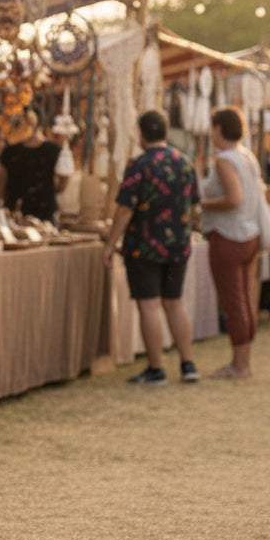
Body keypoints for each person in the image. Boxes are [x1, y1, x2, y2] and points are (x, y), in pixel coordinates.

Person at [103, 110, 200, 385]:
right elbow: (194, 203)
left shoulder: (139, 165)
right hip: (179, 244)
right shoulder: (184, 162)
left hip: (145, 245)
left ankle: (156, 368)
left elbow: (124, 209)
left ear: (141, 133)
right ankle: (188, 363)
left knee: (149, 306)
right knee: (174, 302)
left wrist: (111, 243)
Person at [199, 107, 264, 379]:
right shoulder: (247, 156)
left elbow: (233, 198)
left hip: (229, 235)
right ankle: (242, 361)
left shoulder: (225, 159)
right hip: (249, 234)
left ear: (218, 129)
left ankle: (240, 365)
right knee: (244, 300)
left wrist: (202, 204)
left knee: (234, 301)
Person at [0, 107, 69, 222]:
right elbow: (0, 183)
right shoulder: (10, 151)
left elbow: (63, 181)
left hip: (44, 213)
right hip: (14, 213)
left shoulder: (55, 151)